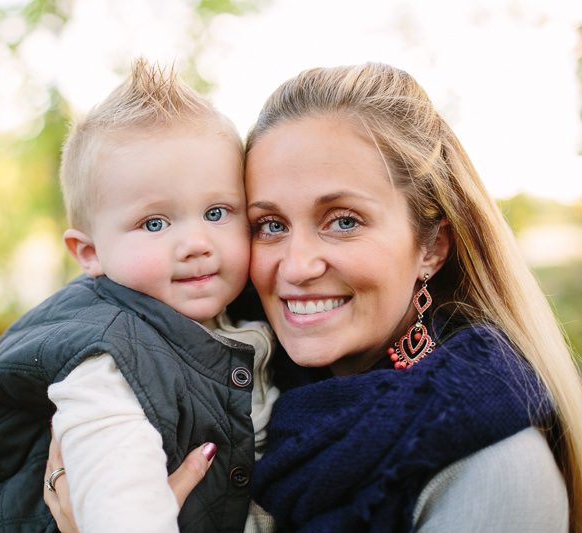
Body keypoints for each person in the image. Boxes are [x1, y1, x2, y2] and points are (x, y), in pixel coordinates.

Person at [46, 62, 582, 532]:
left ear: (431, 247)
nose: (297, 266)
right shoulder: (226, 369)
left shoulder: (494, 470)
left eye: (343, 221)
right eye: (271, 224)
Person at [0, 58, 280, 533]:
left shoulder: (243, 316)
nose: (196, 243)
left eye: (217, 212)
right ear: (90, 253)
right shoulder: (108, 365)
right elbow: (122, 504)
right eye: (155, 223)